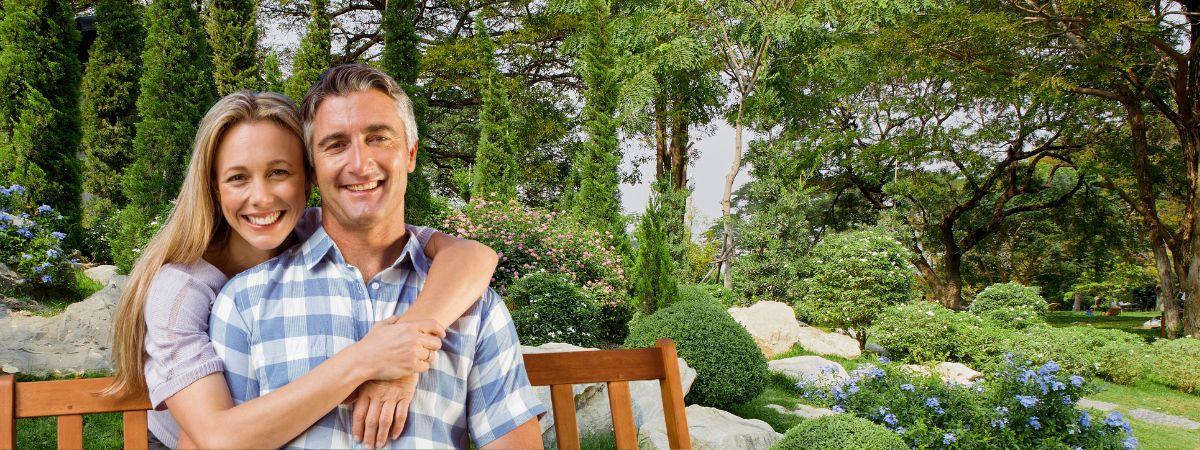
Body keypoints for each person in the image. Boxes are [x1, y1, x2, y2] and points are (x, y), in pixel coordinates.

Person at [105, 90, 500, 449]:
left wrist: (408, 346)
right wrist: (368, 360)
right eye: (238, 177)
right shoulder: (180, 292)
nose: (261, 198)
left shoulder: (308, 228)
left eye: (278, 172)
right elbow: (217, 438)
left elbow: (473, 256)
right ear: (214, 187)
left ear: (308, 177)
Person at [210, 64, 545, 449]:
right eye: (335, 144)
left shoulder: (473, 304)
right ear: (313, 172)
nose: (360, 163)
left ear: (411, 154)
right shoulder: (244, 303)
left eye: (379, 138)